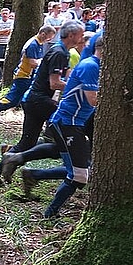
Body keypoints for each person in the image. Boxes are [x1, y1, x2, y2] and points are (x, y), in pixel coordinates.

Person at [0, 20, 85, 183]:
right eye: (81, 34)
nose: (82, 38)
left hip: (34, 100)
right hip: (39, 101)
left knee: (28, 142)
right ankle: (65, 167)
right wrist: (80, 90)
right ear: (71, 35)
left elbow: (66, 76)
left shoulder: (62, 51)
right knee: (63, 134)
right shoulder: (59, 52)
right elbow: (54, 83)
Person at [22, 36, 102, 217]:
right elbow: (94, 99)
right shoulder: (91, 66)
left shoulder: (95, 65)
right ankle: (50, 213)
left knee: (79, 170)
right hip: (67, 123)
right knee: (80, 175)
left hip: (74, 124)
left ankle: (33, 174)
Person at [0, 25, 56, 115]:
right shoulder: (33, 44)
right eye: (48, 38)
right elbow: (33, 63)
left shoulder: (39, 43)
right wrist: (45, 63)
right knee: (12, 99)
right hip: (23, 76)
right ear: (43, 34)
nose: (48, 40)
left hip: (29, 76)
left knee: (24, 100)